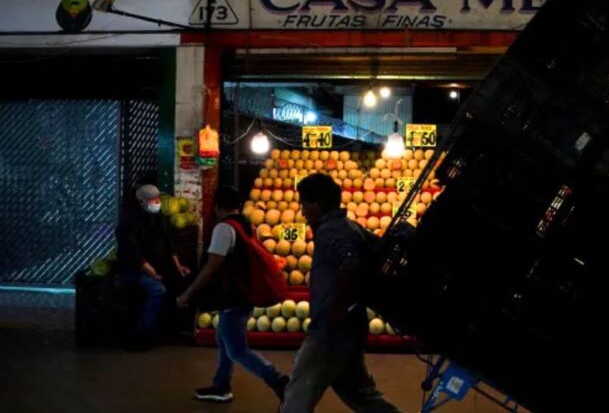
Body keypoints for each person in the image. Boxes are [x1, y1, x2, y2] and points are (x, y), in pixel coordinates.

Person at [280, 173, 400, 413]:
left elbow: (351, 263)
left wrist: (339, 306)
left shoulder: (331, 230)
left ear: (317, 204)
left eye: (304, 204)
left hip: (329, 332)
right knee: (361, 396)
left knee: (298, 392)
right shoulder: (350, 226)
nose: (302, 212)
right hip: (349, 329)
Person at [177, 186, 288, 403]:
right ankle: (221, 385)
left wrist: (189, 292)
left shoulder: (224, 228)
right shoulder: (247, 226)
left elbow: (213, 265)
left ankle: (279, 381)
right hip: (242, 294)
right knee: (223, 337)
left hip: (232, 296)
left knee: (237, 350)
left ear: (217, 207)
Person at [116, 184, 191, 349]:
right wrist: (151, 273)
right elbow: (133, 252)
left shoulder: (159, 218)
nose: (157, 202)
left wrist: (178, 266)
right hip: (135, 271)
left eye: (158, 199)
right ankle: (143, 333)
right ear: (141, 202)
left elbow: (170, 243)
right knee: (158, 290)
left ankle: (164, 332)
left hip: (156, 268)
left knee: (177, 284)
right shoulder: (129, 223)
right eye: (153, 200)